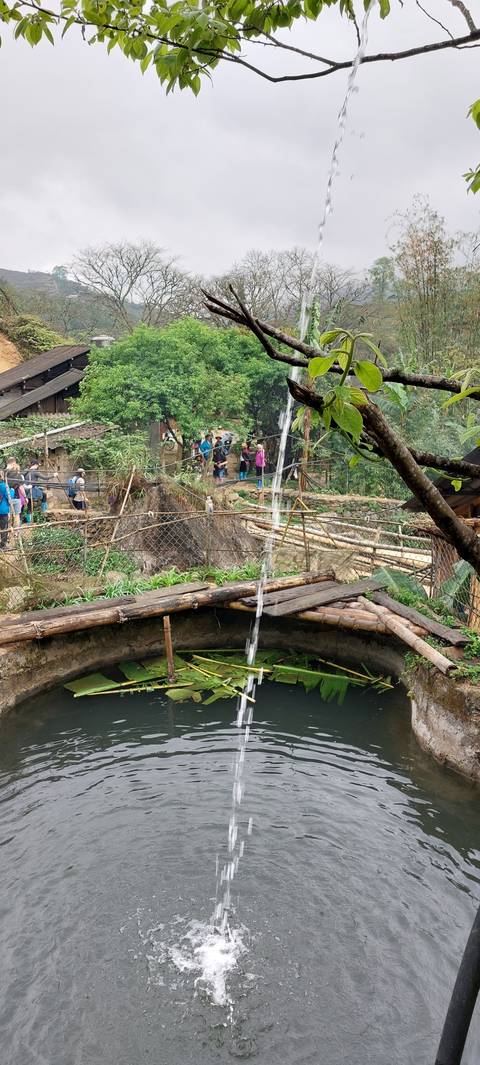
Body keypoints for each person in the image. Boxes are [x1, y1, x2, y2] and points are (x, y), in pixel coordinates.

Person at [5, 459, 25, 527]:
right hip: (16, 498)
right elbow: (21, 488)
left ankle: (7, 531)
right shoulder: (18, 475)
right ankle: (16, 533)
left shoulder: (4, 473)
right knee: (17, 516)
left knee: (8, 515)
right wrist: (25, 497)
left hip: (6, 498)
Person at [0, 470, 12, 550]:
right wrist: (12, 490)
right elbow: (9, 497)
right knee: (4, 528)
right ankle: (3, 545)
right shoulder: (4, 486)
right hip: (3, 510)